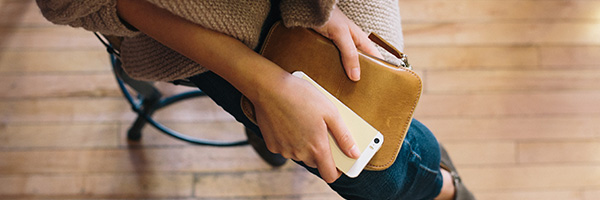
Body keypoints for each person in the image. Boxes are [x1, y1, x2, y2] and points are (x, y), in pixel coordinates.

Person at [37, 0, 474, 199]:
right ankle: (447, 189)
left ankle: (445, 187)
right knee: (376, 174)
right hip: (190, 22)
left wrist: (314, 10)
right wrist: (266, 87)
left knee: (381, 149)